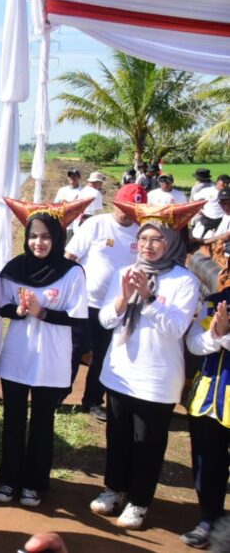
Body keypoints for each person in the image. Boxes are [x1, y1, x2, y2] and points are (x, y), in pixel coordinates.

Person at [90, 199, 204, 530]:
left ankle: (139, 501)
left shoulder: (184, 281)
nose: (148, 246)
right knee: (119, 435)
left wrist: (150, 299)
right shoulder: (125, 272)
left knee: (149, 442)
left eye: (156, 239)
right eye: (143, 239)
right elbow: (106, 320)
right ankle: (114, 489)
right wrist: (125, 297)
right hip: (121, 371)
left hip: (158, 378)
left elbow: (176, 328)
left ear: (171, 242)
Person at [0, 197, 92, 508]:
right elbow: (0, 306)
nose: (38, 242)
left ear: (58, 237)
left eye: (46, 236)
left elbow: (78, 318)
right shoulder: (14, 269)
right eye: (33, 236)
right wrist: (20, 310)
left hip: (51, 358)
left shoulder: (72, 272)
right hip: (18, 355)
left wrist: (42, 312)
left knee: (43, 422)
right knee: (13, 419)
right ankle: (9, 479)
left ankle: (35, 482)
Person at [65, 183, 147, 422]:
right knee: (73, 350)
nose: (128, 213)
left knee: (103, 355)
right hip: (85, 303)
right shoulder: (96, 224)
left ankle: (92, 400)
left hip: (117, 307)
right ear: (115, 203)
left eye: (134, 209)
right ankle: (60, 394)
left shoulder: (140, 232)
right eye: (124, 207)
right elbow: (70, 257)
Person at [181, 292, 230, 548]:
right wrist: (214, 336)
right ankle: (209, 520)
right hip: (209, 401)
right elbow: (194, 344)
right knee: (207, 466)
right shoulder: (214, 301)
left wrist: (223, 335)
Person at [193, 174, 228, 240]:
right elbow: (194, 199)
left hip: (221, 219)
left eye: (227, 183)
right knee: (200, 238)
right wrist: (198, 208)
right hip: (208, 218)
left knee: (219, 240)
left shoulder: (228, 193)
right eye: (224, 182)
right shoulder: (208, 191)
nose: (226, 184)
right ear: (218, 182)